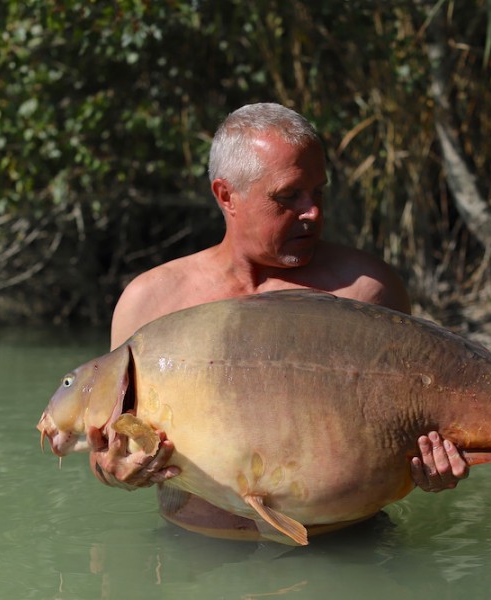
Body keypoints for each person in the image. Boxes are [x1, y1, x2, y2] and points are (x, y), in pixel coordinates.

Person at [89, 103, 468, 540]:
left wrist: (438, 465)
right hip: (196, 558)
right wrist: (114, 470)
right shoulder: (149, 304)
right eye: (288, 197)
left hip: (349, 550)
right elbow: (104, 450)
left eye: (318, 192)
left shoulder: (366, 292)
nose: (313, 213)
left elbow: (424, 424)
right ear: (226, 196)